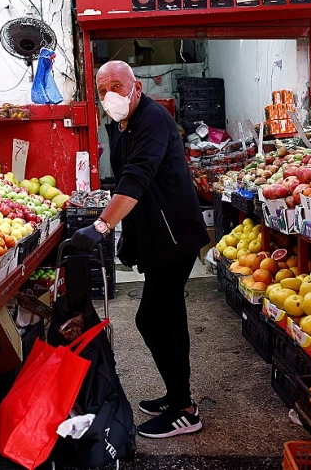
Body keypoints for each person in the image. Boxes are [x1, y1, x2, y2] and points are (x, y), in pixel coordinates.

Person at [71, 60, 210, 439]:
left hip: (174, 236)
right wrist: (129, 241)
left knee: (151, 318)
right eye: (102, 90)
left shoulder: (152, 120)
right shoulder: (123, 125)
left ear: (137, 88)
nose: (109, 96)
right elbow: (125, 180)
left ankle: (184, 410)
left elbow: (136, 179)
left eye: (116, 86)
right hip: (158, 237)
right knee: (170, 316)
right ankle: (177, 394)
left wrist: (101, 226)